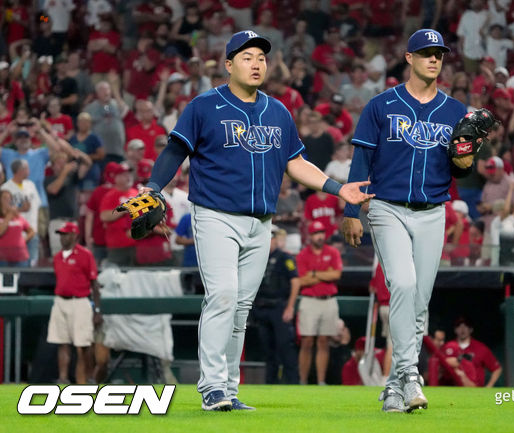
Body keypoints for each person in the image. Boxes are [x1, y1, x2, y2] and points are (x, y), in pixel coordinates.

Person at [141, 31, 372, 412]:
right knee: (223, 297)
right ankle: (212, 386)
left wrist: (337, 188)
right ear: (229, 65)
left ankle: (228, 388)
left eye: (261, 57)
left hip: (261, 222)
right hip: (215, 215)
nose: (256, 63)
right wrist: (153, 187)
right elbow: (175, 150)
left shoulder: (277, 111)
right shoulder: (205, 106)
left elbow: (295, 163)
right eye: (247, 57)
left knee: (241, 307)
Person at [341, 29, 474, 413]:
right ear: (409, 57)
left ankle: (395, 387)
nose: (434, 59)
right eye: (426, 53)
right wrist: (352, 211)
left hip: (433, 211)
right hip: (387, 208)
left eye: (439, 54)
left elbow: (460, 169)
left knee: (419, 302)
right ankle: (409, 372)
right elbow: (361, 161)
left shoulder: (454, 111)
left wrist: (466, 162)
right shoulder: (381, 105)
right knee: (402, 283)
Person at [46, 222, 102, 384]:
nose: (62, 237)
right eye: (61, 234)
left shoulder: (85, 255)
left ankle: (89, 377)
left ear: (75, 236)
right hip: (61, 302)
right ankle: (63, 379)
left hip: (80, 302)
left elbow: (94, 284)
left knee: (83, 344)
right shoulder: (57, 257)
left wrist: (97, 310)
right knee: (62, 342)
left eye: (65, 234)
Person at [250, 226, 300, 384]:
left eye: (270, 238)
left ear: (274, 240)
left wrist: (290, 307)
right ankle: (270, 383)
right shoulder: (256, 258)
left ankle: (293, 383)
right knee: (267, 349)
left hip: (279, 307)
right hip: (262, 307)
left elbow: (295, 281)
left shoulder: (285, 258)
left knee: (285, 346)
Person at [296, 221, 343, 385]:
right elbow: (301, 280)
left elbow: (336, 275)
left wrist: (314, 274)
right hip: (310, 301)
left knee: (324, 341)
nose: (320, 236)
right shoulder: (302, 254)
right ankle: (303, 381)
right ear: (310, 236)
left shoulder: (333, 252)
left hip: (328, 300)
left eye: (322, 232)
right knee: (307, 341)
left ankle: (321, 381)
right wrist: (325, 274)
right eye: (316, 233)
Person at [441, 316, 502, 387]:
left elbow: (497, 369)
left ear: (471, 329)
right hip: (451, 389)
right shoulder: (448, 346)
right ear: (455, 330)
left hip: (475, 391)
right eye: (459, 326)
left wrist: (489, 386)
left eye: (465, 326)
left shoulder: (480, 348)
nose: (462, 329)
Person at [1, 160, 41, 265]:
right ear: (20, 170)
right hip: (14, 235)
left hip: (31, 230)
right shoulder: (5, 189)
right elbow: (3, 211)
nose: (29, 171)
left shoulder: (31, 185)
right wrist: (21, 210)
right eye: (27, 168)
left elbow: (37, 205)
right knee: (14, 269)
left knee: (32, 264)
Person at [0, 190, 34, 267]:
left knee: (22, 278)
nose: (8, 201)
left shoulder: (18, 217)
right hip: (2, 258)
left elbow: (31, 231)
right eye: (5, 198)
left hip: (20, 256)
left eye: (10, 198)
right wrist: (9, 216)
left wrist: (24, 240)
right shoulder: (7, 216)